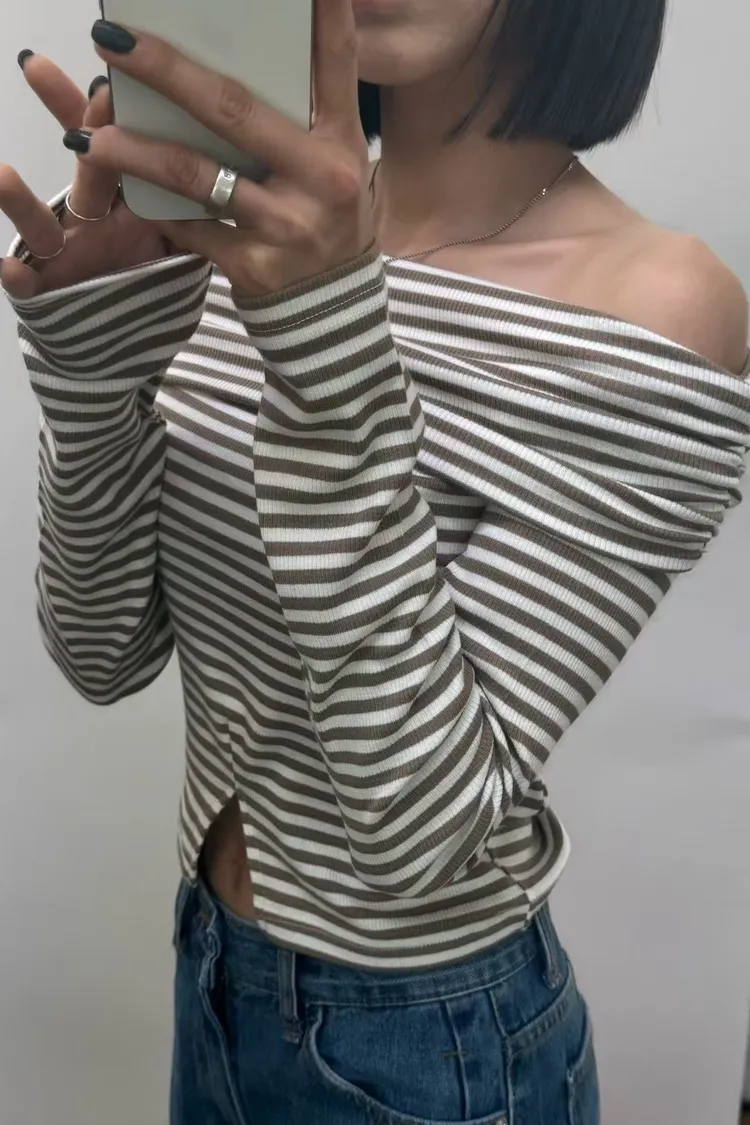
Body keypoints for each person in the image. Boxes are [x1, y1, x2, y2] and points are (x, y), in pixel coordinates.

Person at [2, 1, 749, 1122]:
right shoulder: (258, 229)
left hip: (432, 1045)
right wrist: (92, 381)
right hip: (213, 972)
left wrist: (326, 334)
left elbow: (415, 834)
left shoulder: (660, 307)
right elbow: (101, 654)